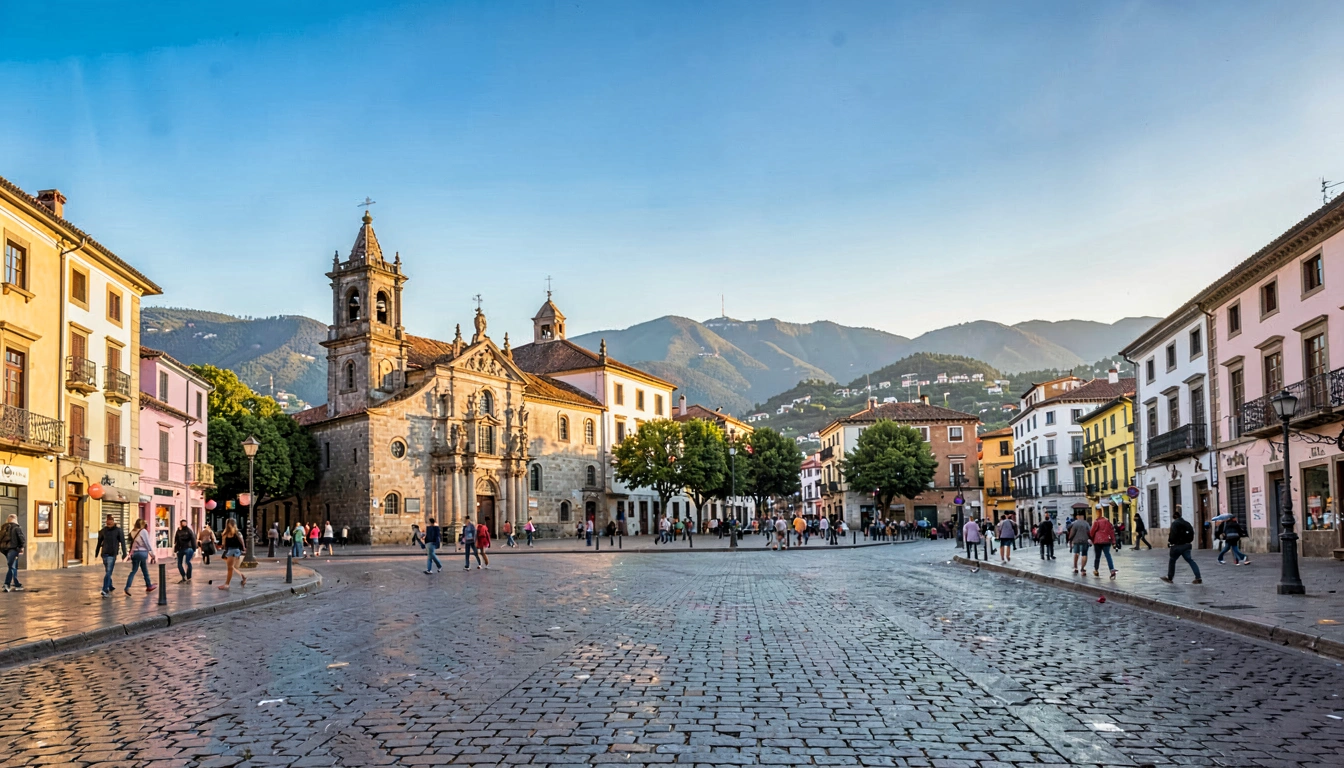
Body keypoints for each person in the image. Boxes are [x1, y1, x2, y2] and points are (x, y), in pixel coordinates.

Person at [1160, 506, 1202, 584]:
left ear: (1174, 517)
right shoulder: (1187, 523)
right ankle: (1198, 577)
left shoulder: (1175, 523)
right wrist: (1188, 541)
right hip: (1187, 545)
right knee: (1190, 560)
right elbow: (1192, 534)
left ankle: (1170, 577)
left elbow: (1173, 535)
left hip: (1177, 546)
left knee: (1172, 560)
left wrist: (1171, 542)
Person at [94, 514, 126, 597]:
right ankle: (110, 585)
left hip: (112, 554)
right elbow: (99, 542)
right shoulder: (103, 531)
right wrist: (96, 552)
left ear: (113, 521)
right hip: (104, 554)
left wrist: (124, 553)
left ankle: (105, 589)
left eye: (110, 520)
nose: (108, 522)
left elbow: (122, 542)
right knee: (108, 571)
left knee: (108, 571)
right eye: (107, 520)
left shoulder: (118, 531)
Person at [125, 518, 157, 595]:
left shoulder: (132, 532)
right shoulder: (143, 531)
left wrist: (130, 554)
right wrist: (152, 554)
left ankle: (127, 587)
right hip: (142, 553)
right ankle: (149, 585)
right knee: (145, 570)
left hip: (135, 553)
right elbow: (147, 543)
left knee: (133, 571)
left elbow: (133, 544)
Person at [217, 518, 246, 589]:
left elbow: (242, 543)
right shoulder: (234, 533)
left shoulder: (231, 533)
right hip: (231, 550)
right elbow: (242, 543)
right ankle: (243, 576)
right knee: (231, 567)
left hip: (233, 550)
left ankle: (227, 584)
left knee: (230, 568)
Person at [1, 513, 25, 592]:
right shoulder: (16, 528)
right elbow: (21, 539)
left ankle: (16, 583)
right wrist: (21, 547)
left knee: (12, 566)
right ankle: (7, 584)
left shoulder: (4, 527)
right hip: (13, 549)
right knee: (12, 567)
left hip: (5, 549)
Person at [1089, 511, 1117, 579]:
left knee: (1097, 557)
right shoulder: (1108, 522)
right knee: (1108, 555)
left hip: (1097, 541)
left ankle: (1096, 570)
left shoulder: (1096, 522)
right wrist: (1113, 542)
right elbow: (1111, 532)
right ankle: (1112, 570)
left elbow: (1092, 532)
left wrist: (1091, 539)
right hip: (1107, 541)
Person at [1067, 511, 1091, 575]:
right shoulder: (1086, 523)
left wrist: (1070, 539)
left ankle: (1075, 568)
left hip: (1076, 541)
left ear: (1077, 516)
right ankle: (1082, 569)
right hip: (1085, 541)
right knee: (1084, 554)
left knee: (1076, 554)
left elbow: (1072, 533)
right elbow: (1089, 532)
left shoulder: (1075, 523)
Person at [173, 519, 197, 583]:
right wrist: (175, 550)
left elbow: (193, 539)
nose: (183, 524)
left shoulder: (187, 531)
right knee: (181, 563)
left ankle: (187, 576)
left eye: (184, 523)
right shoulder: (183, 531)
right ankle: (185, 576)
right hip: (182, 548)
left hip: (187, 548)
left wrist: (194, 549)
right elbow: (176, 541)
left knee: (187, 562)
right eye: (182, 523)